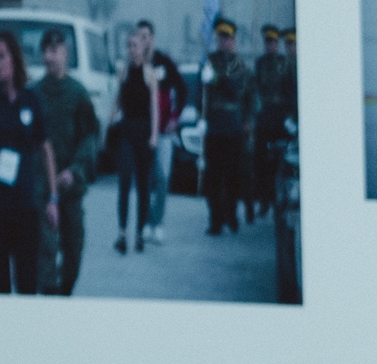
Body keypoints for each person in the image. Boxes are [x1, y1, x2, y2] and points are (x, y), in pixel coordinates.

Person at [0, 29, 58, 295]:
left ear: (14, 59)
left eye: (1, 57)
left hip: (26, 208)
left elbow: (46, 150)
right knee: (0, 286)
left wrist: (53, 198)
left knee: (27, 284)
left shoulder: (32, 100)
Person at [31, 25, 101, 295]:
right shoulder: (34, 93)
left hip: (70, 186)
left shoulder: (78, 94)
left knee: (73, 253)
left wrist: (75, 170)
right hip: (41, 186)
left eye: (55, 51)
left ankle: (64, 291)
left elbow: (89, 137)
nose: (49, 57)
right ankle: (49, 301)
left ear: (65, 53)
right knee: (45, 250)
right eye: (46, 51)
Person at [111, 19, 183, 251]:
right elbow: (118, 100)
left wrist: (154, 135)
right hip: (127, 130)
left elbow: (154, 107)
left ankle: (140, 233)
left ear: (143, 47)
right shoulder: (123, 72)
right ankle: (122, 233)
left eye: (136, 45)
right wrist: (110, 120)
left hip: (144, 133)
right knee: (124, 183)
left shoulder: (150, 73)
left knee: (143, 185)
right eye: (129, 45)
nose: (132, 49)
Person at [196, 16, 256, 232]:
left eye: (228, 38)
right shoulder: (209, 61)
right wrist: (199, 116)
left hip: (232, 127)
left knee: (232, 176)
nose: (224, 42)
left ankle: (231, 214)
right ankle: (215, 220)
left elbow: (235, 89)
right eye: (221, 38)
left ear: (234, 40)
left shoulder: (238, 64)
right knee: (213, 176)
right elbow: (200, 93)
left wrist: (216, 78)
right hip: (214, 126)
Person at [251, 23, 295, 217]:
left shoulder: (285, 64)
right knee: (262, 162)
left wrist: (289, 115)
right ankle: (264, 200)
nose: (271, 46)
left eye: (274, 42)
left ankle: (280, 199)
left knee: (282, 161)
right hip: (264, 118)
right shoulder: (260, 63)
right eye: (268, 42)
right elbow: (256, 89)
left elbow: (290, 91)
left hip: (281, 118)